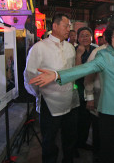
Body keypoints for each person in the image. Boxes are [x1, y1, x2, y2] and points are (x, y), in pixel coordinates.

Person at [30, 19, 114, 163]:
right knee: (110, 153)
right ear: (110, 37)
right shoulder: (104, 56)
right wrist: (57, 75)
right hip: (110, 113)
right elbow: (84, 69)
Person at [24, 13, 79, 163]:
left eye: (69, 26)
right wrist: (40, 94)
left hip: (70, 100)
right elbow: (30, 75)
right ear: (54, 26)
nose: (69, 29)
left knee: (69, 137)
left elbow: (72, 71)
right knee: (49, 140)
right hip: (49, 102)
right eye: (66, 25)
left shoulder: (70, 48)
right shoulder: (39, 47)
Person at [84, 33, 108, 162]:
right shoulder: (98, 52)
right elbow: (88, 76)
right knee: (98, 132)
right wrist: (90, 97)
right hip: (99, 97)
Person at [75, 27, 96, 150]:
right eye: (82, 35)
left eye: (87, 35)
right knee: (78, 120)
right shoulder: (73, 50)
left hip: (93, 89)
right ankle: (75, 146)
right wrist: (79, 55)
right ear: (78, 38)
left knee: (88, 120)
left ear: (91, 37)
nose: (85, 38)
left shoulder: (96, 50)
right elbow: (77, 73)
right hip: (78, 90)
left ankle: (82, 142)